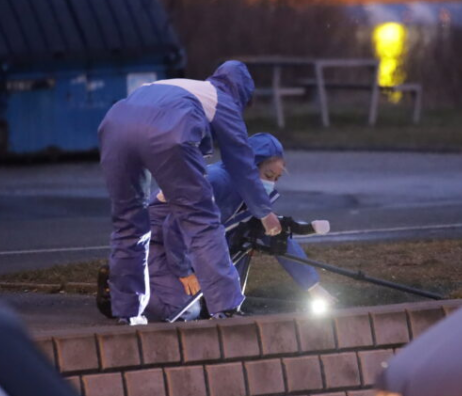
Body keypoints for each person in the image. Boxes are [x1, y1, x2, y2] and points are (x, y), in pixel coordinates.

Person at [98, 61, 282, 325]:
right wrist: (265, 213)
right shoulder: (223, 100)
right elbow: (241, 162)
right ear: (241, 93)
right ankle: (226, 307)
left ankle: (127, 309)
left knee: (129, 222)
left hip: (115, 126)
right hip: (170, 129)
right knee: (200, 219)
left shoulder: (179, 85)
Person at [145, 133, 336, 322]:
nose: (270, 183)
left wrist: (313, 287)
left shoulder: (253, 197)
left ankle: (217, 308)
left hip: (186, 244)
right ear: (249, 168)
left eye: (276, 178)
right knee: (182, 310)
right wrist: (184, 272)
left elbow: (276, 234)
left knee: (217, 294)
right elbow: (174, 225)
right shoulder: (217, 181)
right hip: (158, 242)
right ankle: (124, 292)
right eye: (268, 175)